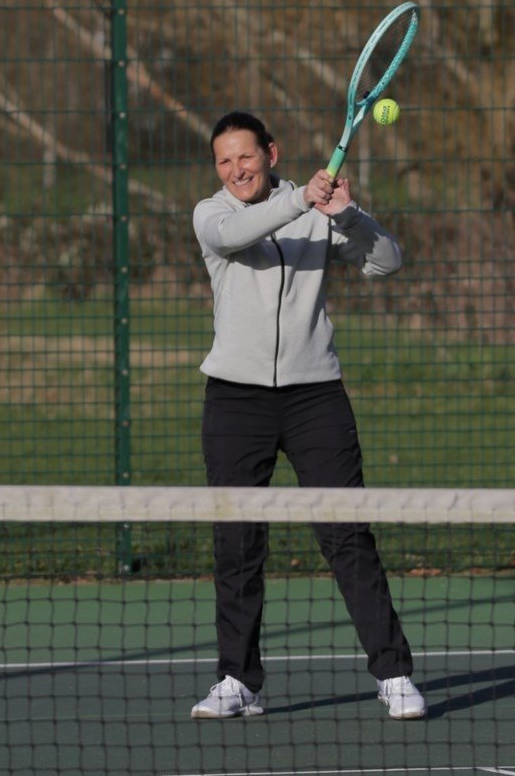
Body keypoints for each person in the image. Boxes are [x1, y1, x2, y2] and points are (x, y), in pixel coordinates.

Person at [189, 110, 425, 720]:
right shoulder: (211, 214)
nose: (236, 168)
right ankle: (238, 682)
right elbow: (237, 235)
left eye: (246, 155)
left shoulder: (319, 211)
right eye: (224, 160)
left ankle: (394, 675)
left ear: (271, 152)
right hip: (234, 400)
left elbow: (388, 262)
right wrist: (302, 201)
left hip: (315, 396)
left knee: (348, 535)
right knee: (237, 543)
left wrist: (347, 215)